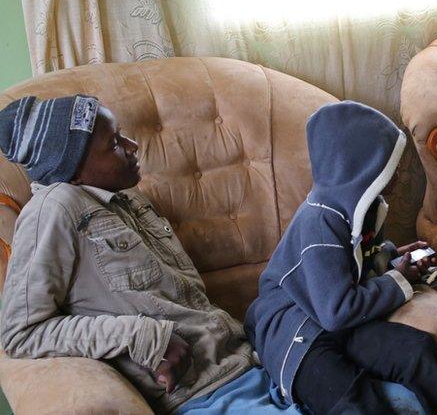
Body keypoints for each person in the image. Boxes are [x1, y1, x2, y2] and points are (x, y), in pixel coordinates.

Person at [0, 95, 254, 413]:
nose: (132, 145)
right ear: (74, 169)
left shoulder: (125, 194)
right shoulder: (54, 209)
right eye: (115, 143)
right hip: (206, 394)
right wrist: (141, 336)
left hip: (247, 357)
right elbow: (21, 333)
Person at [245, 101, 437, 415]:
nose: (397, 173)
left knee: (420, 352)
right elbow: (337, 310)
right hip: (296, 325)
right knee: (354, 402)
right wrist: (399, 280)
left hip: (337, 316)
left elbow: (357, 267)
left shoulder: (363, 211)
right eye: (387, 164)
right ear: (359, 166)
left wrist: (393, 260)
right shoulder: (320, 221)